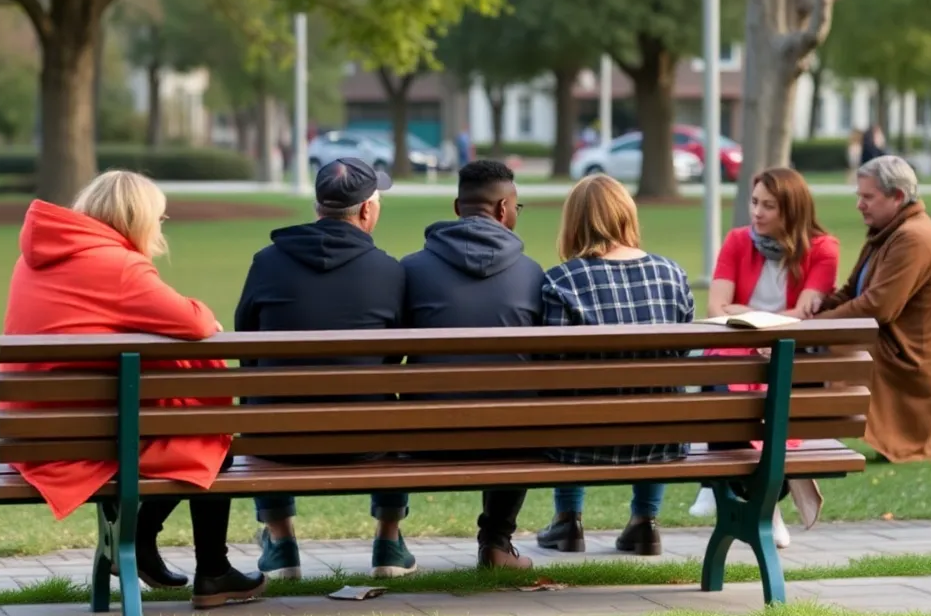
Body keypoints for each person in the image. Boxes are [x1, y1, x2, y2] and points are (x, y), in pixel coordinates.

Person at [0, 170, 265, 609]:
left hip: (37, 434)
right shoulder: (118, 266)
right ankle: (209, 570)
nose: (161, 228)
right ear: (136, 217)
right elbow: (194, 321)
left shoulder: (35, 258)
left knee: (191, 422)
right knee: (213, 435)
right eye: (159, 219)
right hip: (87, 444)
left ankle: (142, 544)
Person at [234, 157, 415, 580]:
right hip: (365, 439)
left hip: (278, 441)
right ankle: (388, 539)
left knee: (262, 394)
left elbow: (248, 346)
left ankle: (280, 544)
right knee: (392, 405)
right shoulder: (390, 271)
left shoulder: (267, 262)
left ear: (319, 207)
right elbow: (397, 358)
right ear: (367, 211)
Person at [535, 174, 695, 556]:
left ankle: (568, 520)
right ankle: (645, 522)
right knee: (659, 397)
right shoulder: (671, 274)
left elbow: (550, 366)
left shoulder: (562, 280)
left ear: (573, 223)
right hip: (662, 440)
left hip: (582, 443)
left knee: (565, 401)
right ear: (628, 215)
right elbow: (683, 354)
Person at [400, 160, 544, 569]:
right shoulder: (532, 275)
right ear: (502, 209)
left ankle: (387, 537)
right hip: (511, 440)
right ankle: (496, 543)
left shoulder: (410, 270)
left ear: (456, 206)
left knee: (389, 407)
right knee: (519, 409)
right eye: (518, 206)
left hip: (426, 437)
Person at [688, 167, 841, 547]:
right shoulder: (738, 241)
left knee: (769, 387)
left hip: (785, 351)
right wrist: (768, 322)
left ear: (791, 210)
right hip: (737, 345)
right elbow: (717, 306)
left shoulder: (822, 249)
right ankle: (752, 500)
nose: (757, 212)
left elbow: (805, 313)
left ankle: (728, 485)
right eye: (755, 202)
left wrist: (755, 319)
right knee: (723, 367)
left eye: (768, 206)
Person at [813, 155, 931, 462]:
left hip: (908, 361)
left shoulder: (913, 238)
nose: (859, 205)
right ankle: (805, 436)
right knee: (811, 345)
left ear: (898, 197)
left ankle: (808, 438)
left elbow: (877, 309)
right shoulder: (888, 230)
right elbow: (851, 292)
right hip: (887, 346)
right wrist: (813, 309)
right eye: (859, 196)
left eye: (868, 197)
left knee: (822, 349)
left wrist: (814, 328)